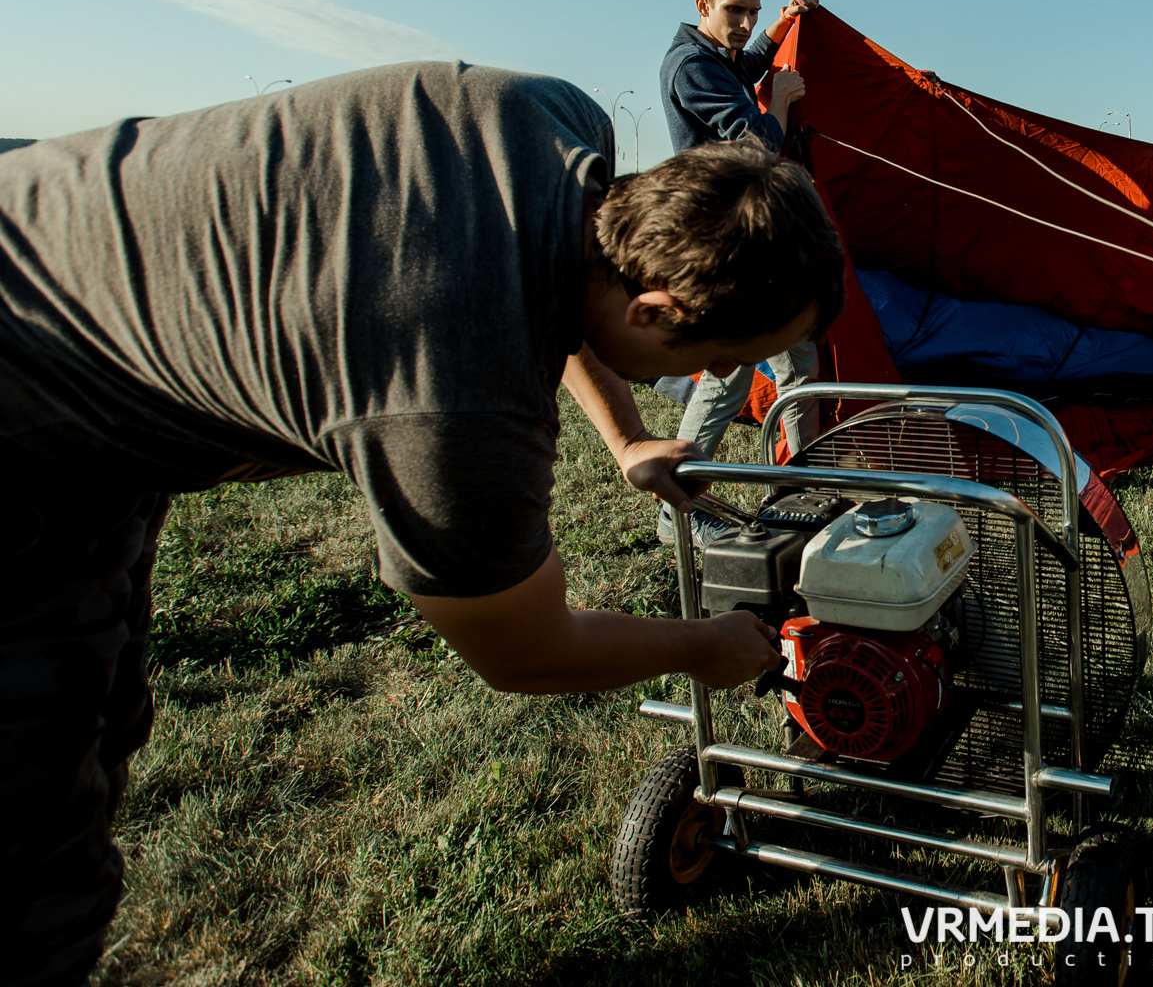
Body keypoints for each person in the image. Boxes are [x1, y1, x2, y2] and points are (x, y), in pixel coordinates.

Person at [0, 62, 846, 984]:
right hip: (28, 412)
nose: (718, 373)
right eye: (718, 355)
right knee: (34, 867)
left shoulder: (551, 124)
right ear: (654, 310)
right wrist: (701, 645)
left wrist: (628, 439)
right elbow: (524, 652)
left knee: (100, 711)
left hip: (70, 287)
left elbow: (555, 280)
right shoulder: (455, 405)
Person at [654, 0, 822, 544]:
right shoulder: (690, 67)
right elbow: (753, 148)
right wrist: (777, 101)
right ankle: (675, 508)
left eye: (753, 11)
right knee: (728, 376)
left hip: (749, 236)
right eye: (736, 10)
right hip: (724, 243)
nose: (746, 23)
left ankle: (803, 485)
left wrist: (781, 23)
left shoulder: (715, 55)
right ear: (702, 4)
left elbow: (746, 63)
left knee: (798, 362)